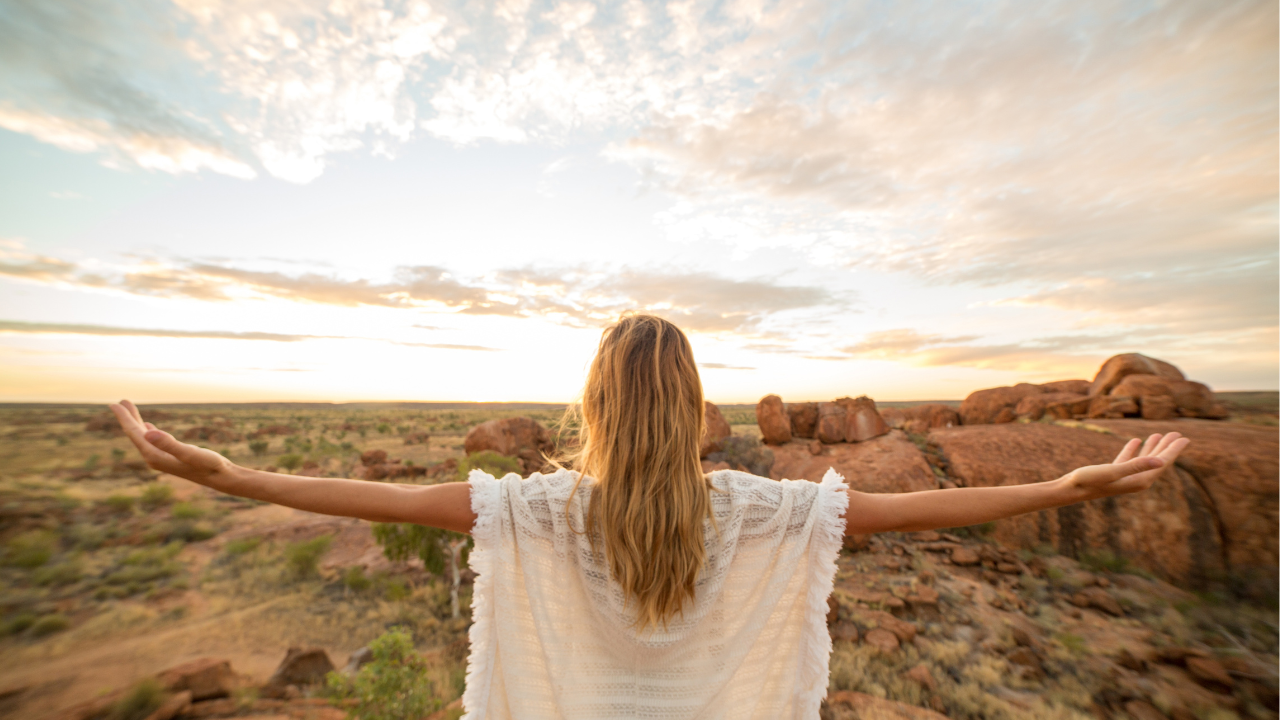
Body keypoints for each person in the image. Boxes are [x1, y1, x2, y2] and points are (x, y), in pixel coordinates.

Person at [110, 314, 1189, 720]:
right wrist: (1057, 487)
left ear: (590, 407)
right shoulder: (756, 512)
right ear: (694, 409)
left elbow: (379, 498)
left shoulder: (535, 512)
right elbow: (914, 509)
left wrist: (232, 477)